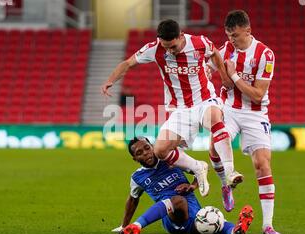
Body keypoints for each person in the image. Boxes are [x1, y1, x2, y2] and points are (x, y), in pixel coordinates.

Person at [101, 19, 244, 203]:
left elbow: (215, 53)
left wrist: (224, 76)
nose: (170, 51)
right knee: (160, 150)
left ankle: (230, 173)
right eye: (166, 46)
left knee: (216, 120)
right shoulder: (154, 48)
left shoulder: (199, 42)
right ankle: (198, 167)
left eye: (173, 46)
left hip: (204, 100)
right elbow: (128, 63)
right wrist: (110, 80)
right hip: (179, 109)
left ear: (181, 36)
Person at [207, 10, 280, 234]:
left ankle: (267, 224)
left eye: (236, 36)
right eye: (228, 36)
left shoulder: (265, 54)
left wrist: (234, 75)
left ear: (248, 31)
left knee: (262, 165)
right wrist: (213, 72)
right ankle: (226, 185)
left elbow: (258, 95)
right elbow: (213, 70)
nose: (231, 40)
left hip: (255, 114)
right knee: (213, 148)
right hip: (228, 108)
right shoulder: (226, 49)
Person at [111, 137, 254, 234]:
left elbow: (200, 171)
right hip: (172, 219)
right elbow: (133, 200)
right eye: (139, 153)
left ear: (152, 146)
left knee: (212, 218)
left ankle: (235, 232)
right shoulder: (137, 178)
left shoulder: (171, 159)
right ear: (135, 159)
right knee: (178, 200)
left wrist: (192, 186)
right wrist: (124, 225)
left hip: (193, 212)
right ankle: (136, 226)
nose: (146, 153)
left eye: (147, 148)